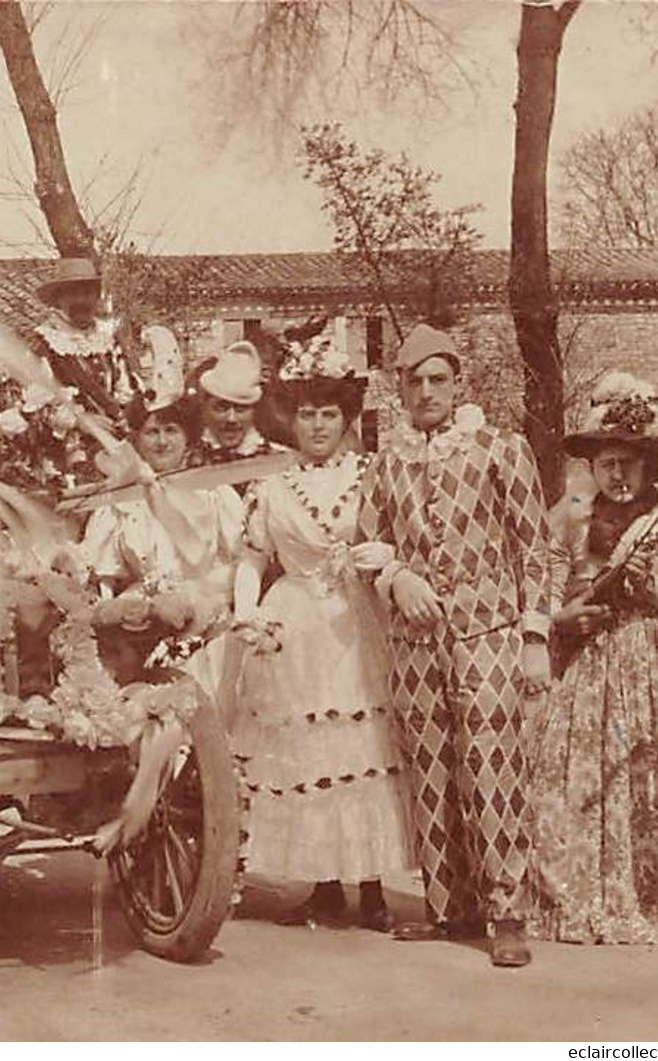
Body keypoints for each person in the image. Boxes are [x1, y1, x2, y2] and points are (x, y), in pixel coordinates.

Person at [356, 324, 552, 968]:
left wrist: (534, 637)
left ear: (458, 384)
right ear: (401, 391)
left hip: (490, 633)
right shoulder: (387, 462)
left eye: (438, 379)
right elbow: (365, 548)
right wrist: (396, 577)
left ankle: (507, 912)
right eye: (415, 382)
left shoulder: (500, 448)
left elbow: (534, 550)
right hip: (417, 641)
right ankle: (449, 908)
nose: (427, 391)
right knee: (431, 768)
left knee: (494, 769)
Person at [231, 337, 412, 931]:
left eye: (328, 413)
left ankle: (374, 884)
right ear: (291, 418)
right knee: (310, 753)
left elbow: (401, 540)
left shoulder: (372, 474)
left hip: (358, 620)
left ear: (347, 418)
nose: (316, 425)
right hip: (296, 624)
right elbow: (253, 554)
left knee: (366, 749)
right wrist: (246, 609)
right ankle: (326, 885)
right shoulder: (273, 484)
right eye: (306, 413)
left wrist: (378, 553)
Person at [532, 372, 658, 944]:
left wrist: (651, 590)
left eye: (629, 463)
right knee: (575, 783)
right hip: (585, 666)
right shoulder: (570, 521)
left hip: (647, 667)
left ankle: (648, 900)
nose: (618, 475)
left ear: (650, 467)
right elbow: (544, 597)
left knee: (644, 780)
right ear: (592, 467)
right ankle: (575, 900)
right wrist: (563, 619)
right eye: (608, 463)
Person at [80, 389, 244, 637]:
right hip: (142, 621)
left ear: (188, 438)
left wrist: (198, 597)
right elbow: (104, 576)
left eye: (171, 431)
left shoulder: (213, 492)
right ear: (136, 440)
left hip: (208, 612)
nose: (162, 442)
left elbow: (241, 562)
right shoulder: (122, 501)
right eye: (152, 432)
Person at [29, 258, 141, 424]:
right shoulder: (46, 344)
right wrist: (82, 422)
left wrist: (126, 415)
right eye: (73, 294)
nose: (81, 301)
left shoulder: (107, 337)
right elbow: (36, 406)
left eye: (87, 293)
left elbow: (126, 388)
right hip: (70, 441)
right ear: (59, 299)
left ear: (97, 297)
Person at [197, 342, 287, 467]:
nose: (231, 419)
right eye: (221, 408)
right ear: (204, 410)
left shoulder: (280, 462)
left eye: (241, 409)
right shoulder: (185, 462)